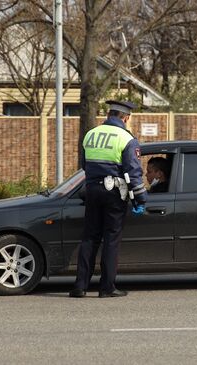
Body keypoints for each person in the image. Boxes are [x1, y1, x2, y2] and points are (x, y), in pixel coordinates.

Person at [69, 100, 147, 299]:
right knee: (111, 239)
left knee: (89, 237)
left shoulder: (91, 134)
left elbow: (85, 165)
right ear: (126, 117)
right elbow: (134, 172)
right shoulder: (126, 138)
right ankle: (107, 288)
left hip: (92, 190)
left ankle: (80, 286)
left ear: (109, 114)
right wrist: (140, 198)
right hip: (114, 194)